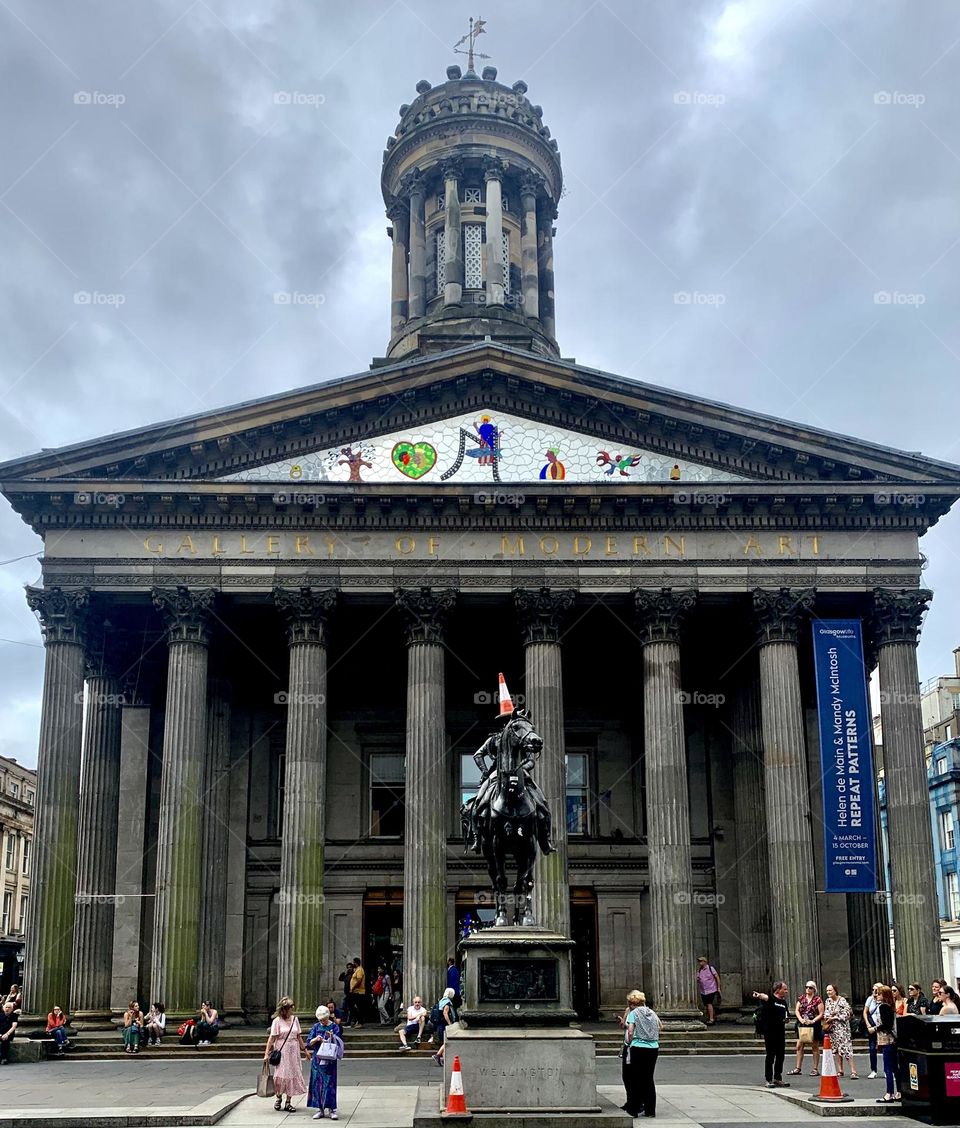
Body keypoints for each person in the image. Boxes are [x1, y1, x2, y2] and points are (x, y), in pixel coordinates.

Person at [264, 997, 309, 1113]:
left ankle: (288, 1102)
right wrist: (266, 1053)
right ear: (284, 1009)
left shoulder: (295, 1019)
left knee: (292, 1074)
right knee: (282, 1074)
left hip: (293, 1051)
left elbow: (298, 1036)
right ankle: (279, 1097)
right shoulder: (277, 1021)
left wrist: (305, 1050)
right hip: (282, 1051)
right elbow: (271, 1038)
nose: (292, 1009)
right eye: (290, 1007)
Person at [622, 990, 662, 1118]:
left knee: (635, 1078)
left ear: (632, 1003)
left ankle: (633, 1109)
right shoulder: (652, 1013)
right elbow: (659, 1026)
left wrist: (629, 1042)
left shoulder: (633, 1013)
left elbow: (630, 1031)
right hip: (653, 1048)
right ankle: (650, 1110)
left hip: (638, 1047)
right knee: (648, 1079)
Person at [307, 1004, 343, 1121]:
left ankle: (332, 1109)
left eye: (324, 1019)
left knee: (330, 1083)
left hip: (329, 1059)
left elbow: (338, 1041)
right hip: (317, 1059)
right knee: (317, 1083)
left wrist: (331, 1037)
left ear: (327, 1017)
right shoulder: (316, 1026)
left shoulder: (334, 1027)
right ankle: (320, 1109)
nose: (322, 1021)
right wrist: (316, 1039)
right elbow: (309, 1042)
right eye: (320, 1020)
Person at [753, 981, 791, 1088]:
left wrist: (786, 1019)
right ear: (778, 990)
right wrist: (758, 995)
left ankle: (778, 1078)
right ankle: (768, 1079)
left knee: (780, 1055)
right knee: (770, 1055)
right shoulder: (771, 999)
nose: (786, 991)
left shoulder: (783, 1002)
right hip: (770, 1032)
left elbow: (786, 1014)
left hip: (780, 1031)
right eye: (784, 989)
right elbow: (764, 997)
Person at [866, 984, 899, 1103]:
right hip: (892, 1040)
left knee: (888, 1068)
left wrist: (874, 1028)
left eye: (879, 994)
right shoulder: (891, 1006)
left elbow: (886, 1025)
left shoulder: (883, 1007)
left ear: (884, 996)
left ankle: (889, 1093)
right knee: (895, 1067)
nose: (876, 995)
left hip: (886, 1039)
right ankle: (899, 1092)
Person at [789, 981, 824, 1075]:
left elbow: (821, 1013)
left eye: (810, 987)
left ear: (814, 989)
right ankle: (798, 1068)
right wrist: (800, 1019)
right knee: (799, 1046)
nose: (808, 989)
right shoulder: (801, 998)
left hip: (814, 1024)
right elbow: (797, 1010)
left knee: (814, 1046)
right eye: (806, 987)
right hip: (803, 1024)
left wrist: (813, 1021)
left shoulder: (817, 999)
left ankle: (815, 1068)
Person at [823, 984, 856, 1079]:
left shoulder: (842, 1001)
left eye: (830, 990)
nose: (828, 992)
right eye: (827, 990)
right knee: (836, 1049)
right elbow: (826, 1012)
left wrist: (834, 1017)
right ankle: (840, 1070)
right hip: (833, 1029)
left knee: (846, 1049)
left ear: (835, 991)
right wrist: (827, 1017)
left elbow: (847, 1014)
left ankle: (853, 1071)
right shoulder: (828, 1001)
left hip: (842, 1029)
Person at [431, 987, 457, 1066]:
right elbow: (445, 1013)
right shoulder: (447, 1003)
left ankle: (444, 1059)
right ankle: (438, 1055)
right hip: (443, 1024)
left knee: (444, 1041)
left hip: (439, 1024)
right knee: (446, 1041)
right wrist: (449, 1023)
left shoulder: (441, 1001)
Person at [862, 983, 883, 1077]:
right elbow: (865, 1012)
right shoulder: (870, 999)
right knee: (872, 1048)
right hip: (871, 1026)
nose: (874, 992)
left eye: (876, 990)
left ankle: (886, 1070)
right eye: (873, 990)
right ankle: (873, 1070)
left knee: (884, 1049)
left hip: (881, 1027)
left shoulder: (883, 1000)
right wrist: (867, 1024)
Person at [696, 956, 721, 1026]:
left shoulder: (710, 968)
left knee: (709, 1003)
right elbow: (697, 978)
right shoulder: (699, 970)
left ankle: (711, 1019)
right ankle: (709, 1017)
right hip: (703, 990)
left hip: (711, 989)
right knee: (706, 1005)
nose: (700, 963)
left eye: (701, 961)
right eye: (699, 961)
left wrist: (718, 987)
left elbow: (717, 977)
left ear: (705, 962)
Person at [348, 959, 366, 1028]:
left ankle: (360, 1022)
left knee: (357, 1007)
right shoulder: (357, 970)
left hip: (358, 992)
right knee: (353, 1006)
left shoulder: (360, 970)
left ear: (356, 963)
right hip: (355, 991)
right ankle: (358, 1021)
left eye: (353, 962)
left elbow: (359, 980)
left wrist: (353, 988)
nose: (353, 964)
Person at [337, 962, 355, 1027]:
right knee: (346, 1007)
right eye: (348, 967)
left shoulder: (353, 975)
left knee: (350, 1007)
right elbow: (340, 979)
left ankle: (349, 1021)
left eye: (350, 967)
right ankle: (349, 1020)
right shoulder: (347, 975)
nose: (349, 968)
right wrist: (342, 974)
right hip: (347, 993)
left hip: (351, 993)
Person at [0, 1001, 17, 1065]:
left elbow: (14, 1026)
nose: (7, 1009)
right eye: (6, 1007)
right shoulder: (0, 1015)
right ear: (3, 1008)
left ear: (12, 1009)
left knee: (5, 1040)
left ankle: (4, 1058)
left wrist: (7, 1034)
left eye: (9, 1007)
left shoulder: (14, 1015)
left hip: (9, 1034)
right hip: (0, 1033)